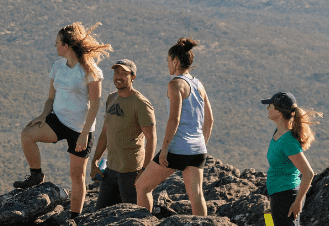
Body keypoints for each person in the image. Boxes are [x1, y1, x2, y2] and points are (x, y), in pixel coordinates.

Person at [12, 22, 113, 215]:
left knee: (77, 176)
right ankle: (36, 175)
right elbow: (51, 97)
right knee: (27, 134)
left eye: (57, 42)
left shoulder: (90, 70)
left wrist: (84, 134)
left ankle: (75, 217)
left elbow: (95, 105)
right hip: (57, 120)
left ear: (66, 46)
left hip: (80, 129)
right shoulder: (57, 67)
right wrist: (43, 115)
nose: (55, 46)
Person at [134, 38, 215, 216]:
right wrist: (201, 145)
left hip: (178, 149)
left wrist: (164, 149)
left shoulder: (175, 84)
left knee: (142, 186)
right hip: (198, 150)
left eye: (168, 60)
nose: (168, 64)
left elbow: (174, 120)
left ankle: (143, 222)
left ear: (176, 61)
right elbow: (209, 120)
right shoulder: (198, 84)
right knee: (196, 196)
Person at [87, 59, 158, 210]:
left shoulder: (141, 103)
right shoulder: (111, 98)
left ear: (133, 77)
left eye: (124, 73)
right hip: (111, 170)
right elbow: (105, 133)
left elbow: (151, 139)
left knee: (133, 215)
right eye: (116, 72)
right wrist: (95, 161)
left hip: (131, 172)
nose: (118, 76)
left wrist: (144, 171)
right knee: (100, 215)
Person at [262, 92, 320, 226]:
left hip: (287, 197)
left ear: (279, 112)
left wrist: (298, 202)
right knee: (269, 223)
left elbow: (308, 173)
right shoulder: (277, 133)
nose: (267, 109)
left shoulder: (288, 142)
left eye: (270, 106)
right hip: (277, 194)